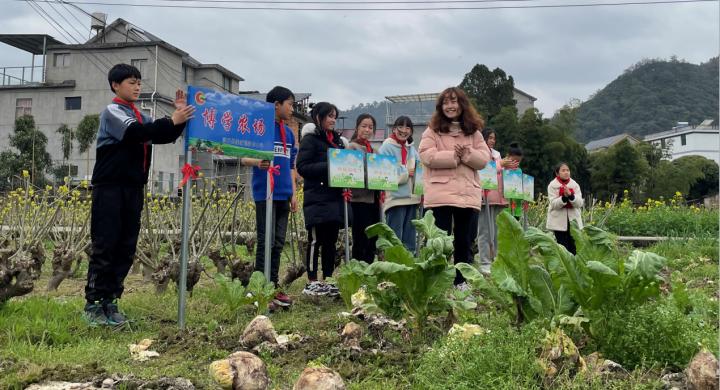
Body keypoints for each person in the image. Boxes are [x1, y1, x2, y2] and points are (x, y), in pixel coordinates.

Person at [84, 63, 194, 326]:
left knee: (126, 245)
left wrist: (176, 121)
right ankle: (93, 304)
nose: (137, 87)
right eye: (131, 82)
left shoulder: (140, 115)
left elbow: (160, 135)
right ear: (115, 85)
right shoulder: (113, 112)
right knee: (106, 244)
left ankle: (111, 301)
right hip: (110, 188)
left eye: (139, 82)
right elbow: (136, 134)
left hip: (134, 188)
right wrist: (170, 121)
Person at [418, 87, 491, 286]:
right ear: (441, 107)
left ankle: (461, 282)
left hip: (467, 194)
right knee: (439, 243)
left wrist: (467, 154)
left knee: (464, 241)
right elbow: (426, 155)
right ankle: (436, 283)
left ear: (462, 104)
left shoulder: (474, 132)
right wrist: (454, 157)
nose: (450, 106)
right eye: (446, 103)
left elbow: (484, 159)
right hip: (440, 194)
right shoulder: (432, 130)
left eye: (454, 102)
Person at [240, 86, 298, 310]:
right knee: (265, 241)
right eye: (289, 104)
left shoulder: (290, 134)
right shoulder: (260, 128)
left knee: (278, 243)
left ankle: (272, 286)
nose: (292, 109)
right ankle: (258, 289)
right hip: (265, 193)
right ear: (276, 104)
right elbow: (244, 158)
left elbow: (291, 167)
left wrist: (293, 193)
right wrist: (258, 163)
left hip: (283, 193)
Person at [296, 102, 344, 296]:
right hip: (317, 197)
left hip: (334, 197)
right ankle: (312, 279)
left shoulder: (339, 142)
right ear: (318, 117)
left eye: (335, 116)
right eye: (329, 116)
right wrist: (330, 165)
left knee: (331, 241)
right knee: (316, 240)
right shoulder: (310, 140)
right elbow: (303, 167)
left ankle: (329, 278)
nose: (332, 120)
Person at [379, 116, 421, 253]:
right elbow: (383, 173)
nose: (404, 130)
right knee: (395, 239)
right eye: (400, 127)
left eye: (408, 127)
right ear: (394, 129)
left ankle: (409, 269)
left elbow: (419, 168)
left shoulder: (411, 147)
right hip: (395, 199)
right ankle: (394, 269)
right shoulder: (386, 146)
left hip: (411, 198)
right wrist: (405, 172)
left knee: (410, 238)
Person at [347, 114, 380, 263]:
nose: (367, 129)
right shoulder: (351, 147)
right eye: (364, 126)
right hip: (359, 200)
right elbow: (355, 173)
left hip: (374, 200)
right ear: (357, 128)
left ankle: (370, 270)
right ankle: (358, 273)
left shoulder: (374, 150)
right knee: (360, 238)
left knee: (373, 238)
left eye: (370, 127)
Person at [476, 127, 508, 273]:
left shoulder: (497, 154)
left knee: (495, 230)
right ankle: (484, 261)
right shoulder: (479, 153)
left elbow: (500, 173)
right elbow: (484, 169)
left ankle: (494, 258)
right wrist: (501, 165)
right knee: (484, 230)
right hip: (484, 196)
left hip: (497, 196)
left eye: (494, 138)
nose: (492, 141)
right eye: (490, 138)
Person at [546, 162, 584, 254]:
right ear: (557, 173)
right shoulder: (552, 185)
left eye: (568, 170)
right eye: (563, 170)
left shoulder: (574, 185)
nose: (566, 172)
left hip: (573, 222)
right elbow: (554, 204)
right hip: (558, 223)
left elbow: (580, 203)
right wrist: (563, 197)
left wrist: (571, 196)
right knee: (563, 248)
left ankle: (575, 267)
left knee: (574, 247)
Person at [502, 142, 524, 220]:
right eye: (514, 161)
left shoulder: (519, 171)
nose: (516, 163)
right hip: (505, 208)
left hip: (516, 209)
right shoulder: (502, 169)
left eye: (518, 161)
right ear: (508, 157)